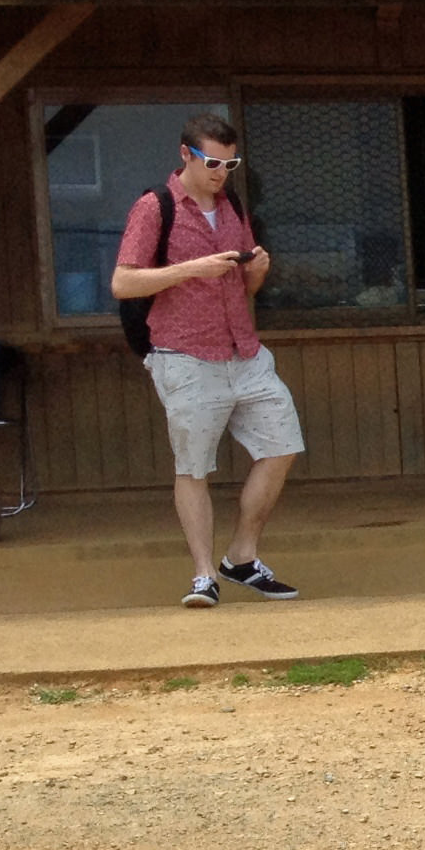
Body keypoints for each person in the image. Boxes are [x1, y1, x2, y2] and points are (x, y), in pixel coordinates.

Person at [109, 114, 302, 609]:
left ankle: (241, 556)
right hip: (184, 353)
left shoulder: (233, 205)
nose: (221, 172)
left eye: (229, 163)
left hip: (244, 349)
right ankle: (202, 574)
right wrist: (190, 269)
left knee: (281, 445)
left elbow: (243, 286)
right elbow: (123, 282)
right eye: (212, 161)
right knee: (193, 466)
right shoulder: (155, 207)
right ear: (186, 155)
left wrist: (256, 271)